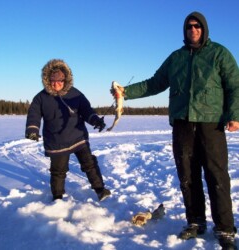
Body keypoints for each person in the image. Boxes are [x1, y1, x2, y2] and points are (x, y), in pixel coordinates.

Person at [111, 12, 239, 249]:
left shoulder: (219, 54)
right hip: (182, 123)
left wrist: (234, 114)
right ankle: (196, 222)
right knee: (188, 176)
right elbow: (154, 83)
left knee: (216, 176)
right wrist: (125, 92)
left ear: (204, 29)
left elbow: (234, 85)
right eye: (189, 26)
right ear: (185, 30)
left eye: (198, 26)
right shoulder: (176, 58)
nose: (193, 29)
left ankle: (225, 228)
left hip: (211, 123)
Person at [25, 59, 111, 202]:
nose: (56, 84)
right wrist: (32, 129)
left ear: (65, 80)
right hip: (56, 141)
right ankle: (57, 197)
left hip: (78, 137)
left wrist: (95, 120)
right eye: (53, 81)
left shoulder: (75, 93)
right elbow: (34, 114)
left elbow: (86, 110)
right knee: (58, 172)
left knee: (89, 163)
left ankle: (100, 190)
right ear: (47, 80)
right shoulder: (41, 97)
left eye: (60, 81)